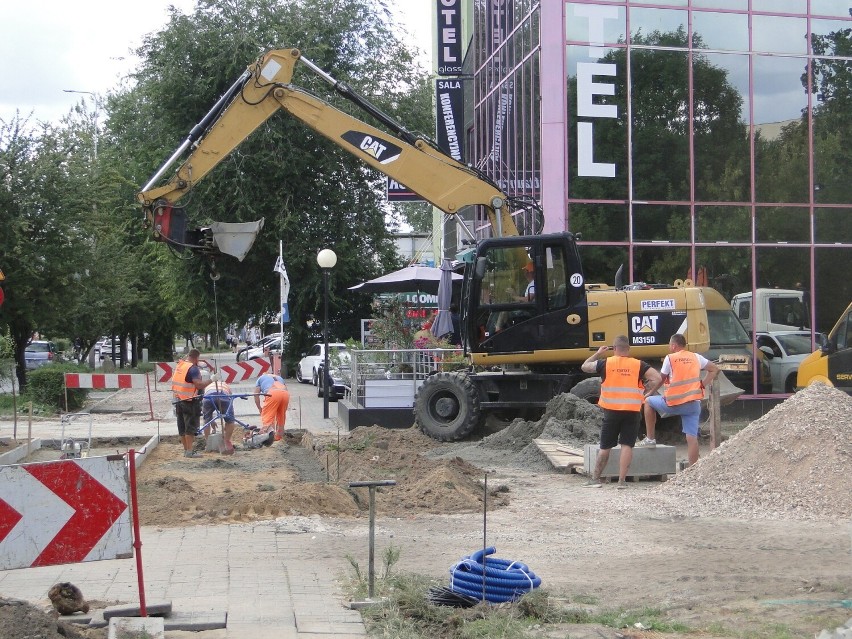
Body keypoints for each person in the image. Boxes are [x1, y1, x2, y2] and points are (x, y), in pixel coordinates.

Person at [580, 336, 662, 488]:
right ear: (628, 349)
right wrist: (649, 392)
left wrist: (598, 353)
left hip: (611, 411)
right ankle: (621, 481)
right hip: (632, 411)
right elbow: (657, 378)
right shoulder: (639, 365)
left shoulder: (606, 363)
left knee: (605, 447)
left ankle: (595, 479)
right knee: (626, 445)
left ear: (614, 348)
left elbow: (585, 366)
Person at [641, 333, 719, 466]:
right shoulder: (696, 357)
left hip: (673, 403)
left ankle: (650, 439)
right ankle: (693, 469)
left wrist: (650, 393)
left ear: (674, 345)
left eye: (670, 345)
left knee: (648, 402)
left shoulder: (670, 358)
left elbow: (661, 379)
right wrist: (702, 384)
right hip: (693, 404)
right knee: (692, 438)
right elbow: (714, 369)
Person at [171, 349, 212, 458]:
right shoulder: (193, 369)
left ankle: (186, 450)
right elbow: (198, 385)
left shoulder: (181, 365)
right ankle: (189, 452)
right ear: (197, 358)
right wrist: (211, 380)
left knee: (182, 427)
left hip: (178, 399)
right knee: (190, 427)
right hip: (189, 401)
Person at [202, 378, 236, 455]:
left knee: (206, 421)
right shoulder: (225, 385)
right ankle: (227, 441)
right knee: (230, 421)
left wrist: (211, 420)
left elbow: (206, 409)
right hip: (223, 395)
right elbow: (230, 399)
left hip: (208, 397)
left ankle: (208, 443)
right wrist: (226, 424)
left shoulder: (208, 386)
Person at [254, 372, 290, 441]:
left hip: (273, 394)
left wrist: (259, 408)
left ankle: (269, 440)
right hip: (285, 394)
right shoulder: (279, 378)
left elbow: (256, 394)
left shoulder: (260, 378)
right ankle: (279, 438)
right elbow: (285, 389)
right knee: (281, 418)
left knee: (268, 418)